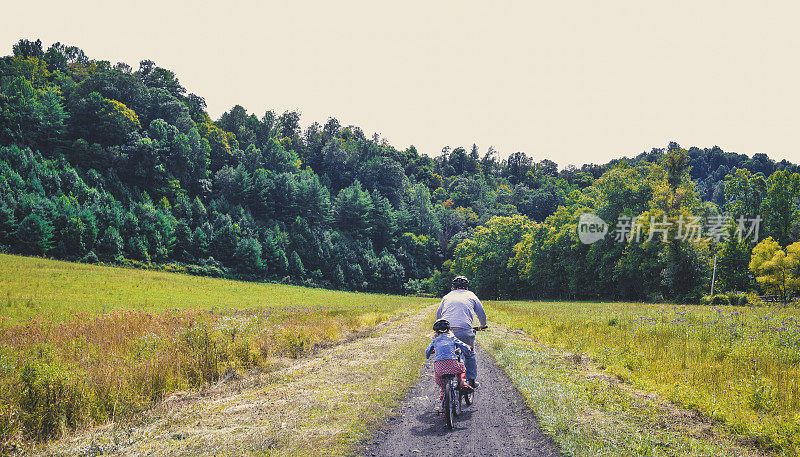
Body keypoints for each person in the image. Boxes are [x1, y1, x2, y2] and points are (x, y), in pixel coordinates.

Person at [436, 276, 487, 388]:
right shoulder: (471, 295)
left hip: (446, 331)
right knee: (469, 354)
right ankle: (471, 380)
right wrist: (483, 325)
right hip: (465, 330)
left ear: (453, 287)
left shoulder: (447, 297)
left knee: (448, 353)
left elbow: (438, 315)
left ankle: (448, 378)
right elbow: (481, 313)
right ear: (467, 287)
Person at [425, 318, 474, 399]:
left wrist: (430, 353)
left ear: (435, 331)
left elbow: (427, 353)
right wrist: (468, 348)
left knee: (442, 386)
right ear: (448, 330)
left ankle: (443, 398)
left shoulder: (434, 340)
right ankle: (463, 382)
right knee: (462, 368)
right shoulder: (452, 338)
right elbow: (463, 345)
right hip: (452, 364)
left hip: (439, 368)